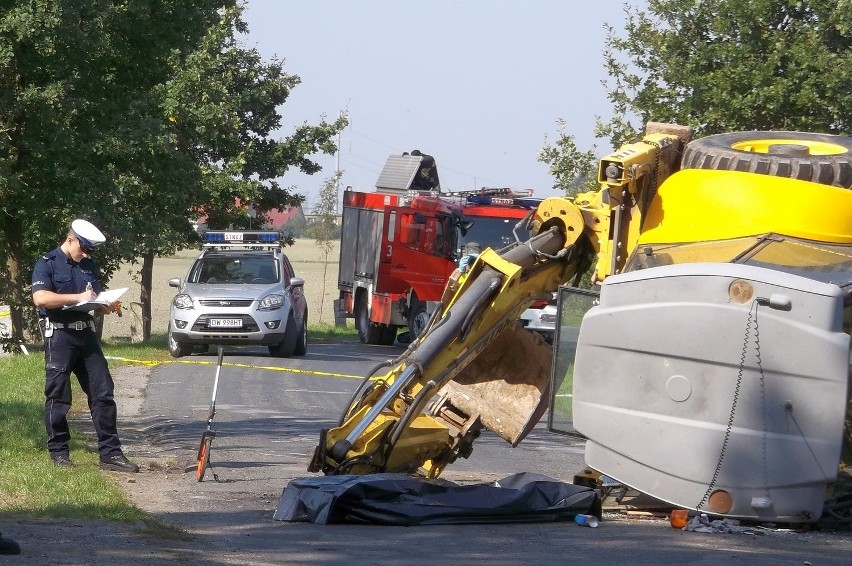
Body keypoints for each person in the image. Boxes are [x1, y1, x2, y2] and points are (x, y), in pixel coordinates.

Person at [31, 219, 139, 473]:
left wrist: (105, 305)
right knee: (58, 396)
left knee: (103, 393)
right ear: (71, 240)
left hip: (86, 335)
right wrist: (78, 297)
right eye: (85, 248)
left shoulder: (88, 265)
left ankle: (110, 454)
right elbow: (41, 298)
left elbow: (93, 298)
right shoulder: (47, 263)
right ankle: (59, 452)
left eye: (90, 251)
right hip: (59, 336)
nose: (87, 254)